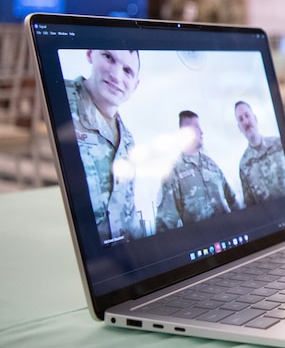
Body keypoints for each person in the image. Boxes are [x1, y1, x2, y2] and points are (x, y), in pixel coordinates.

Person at [65, 49, 145, 243]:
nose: (116, 75)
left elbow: (128, 212)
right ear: (90, 54)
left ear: (135, 85)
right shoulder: (60, 99)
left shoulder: (128, 141)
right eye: (109, 58)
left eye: (127, 70)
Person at [154, 110, 239, 230]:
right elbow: (164, 225)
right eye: (197, 128)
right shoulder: (173, 173)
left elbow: (233, 201)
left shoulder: (211, 165)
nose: (202, 132)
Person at [234, 100, 285, 206]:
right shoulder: (244, 165)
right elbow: (250, 205)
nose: (246, 122)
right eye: (241, 119)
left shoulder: (280, 144)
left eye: (247, 115)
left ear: (255, 118)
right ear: (239, 128)